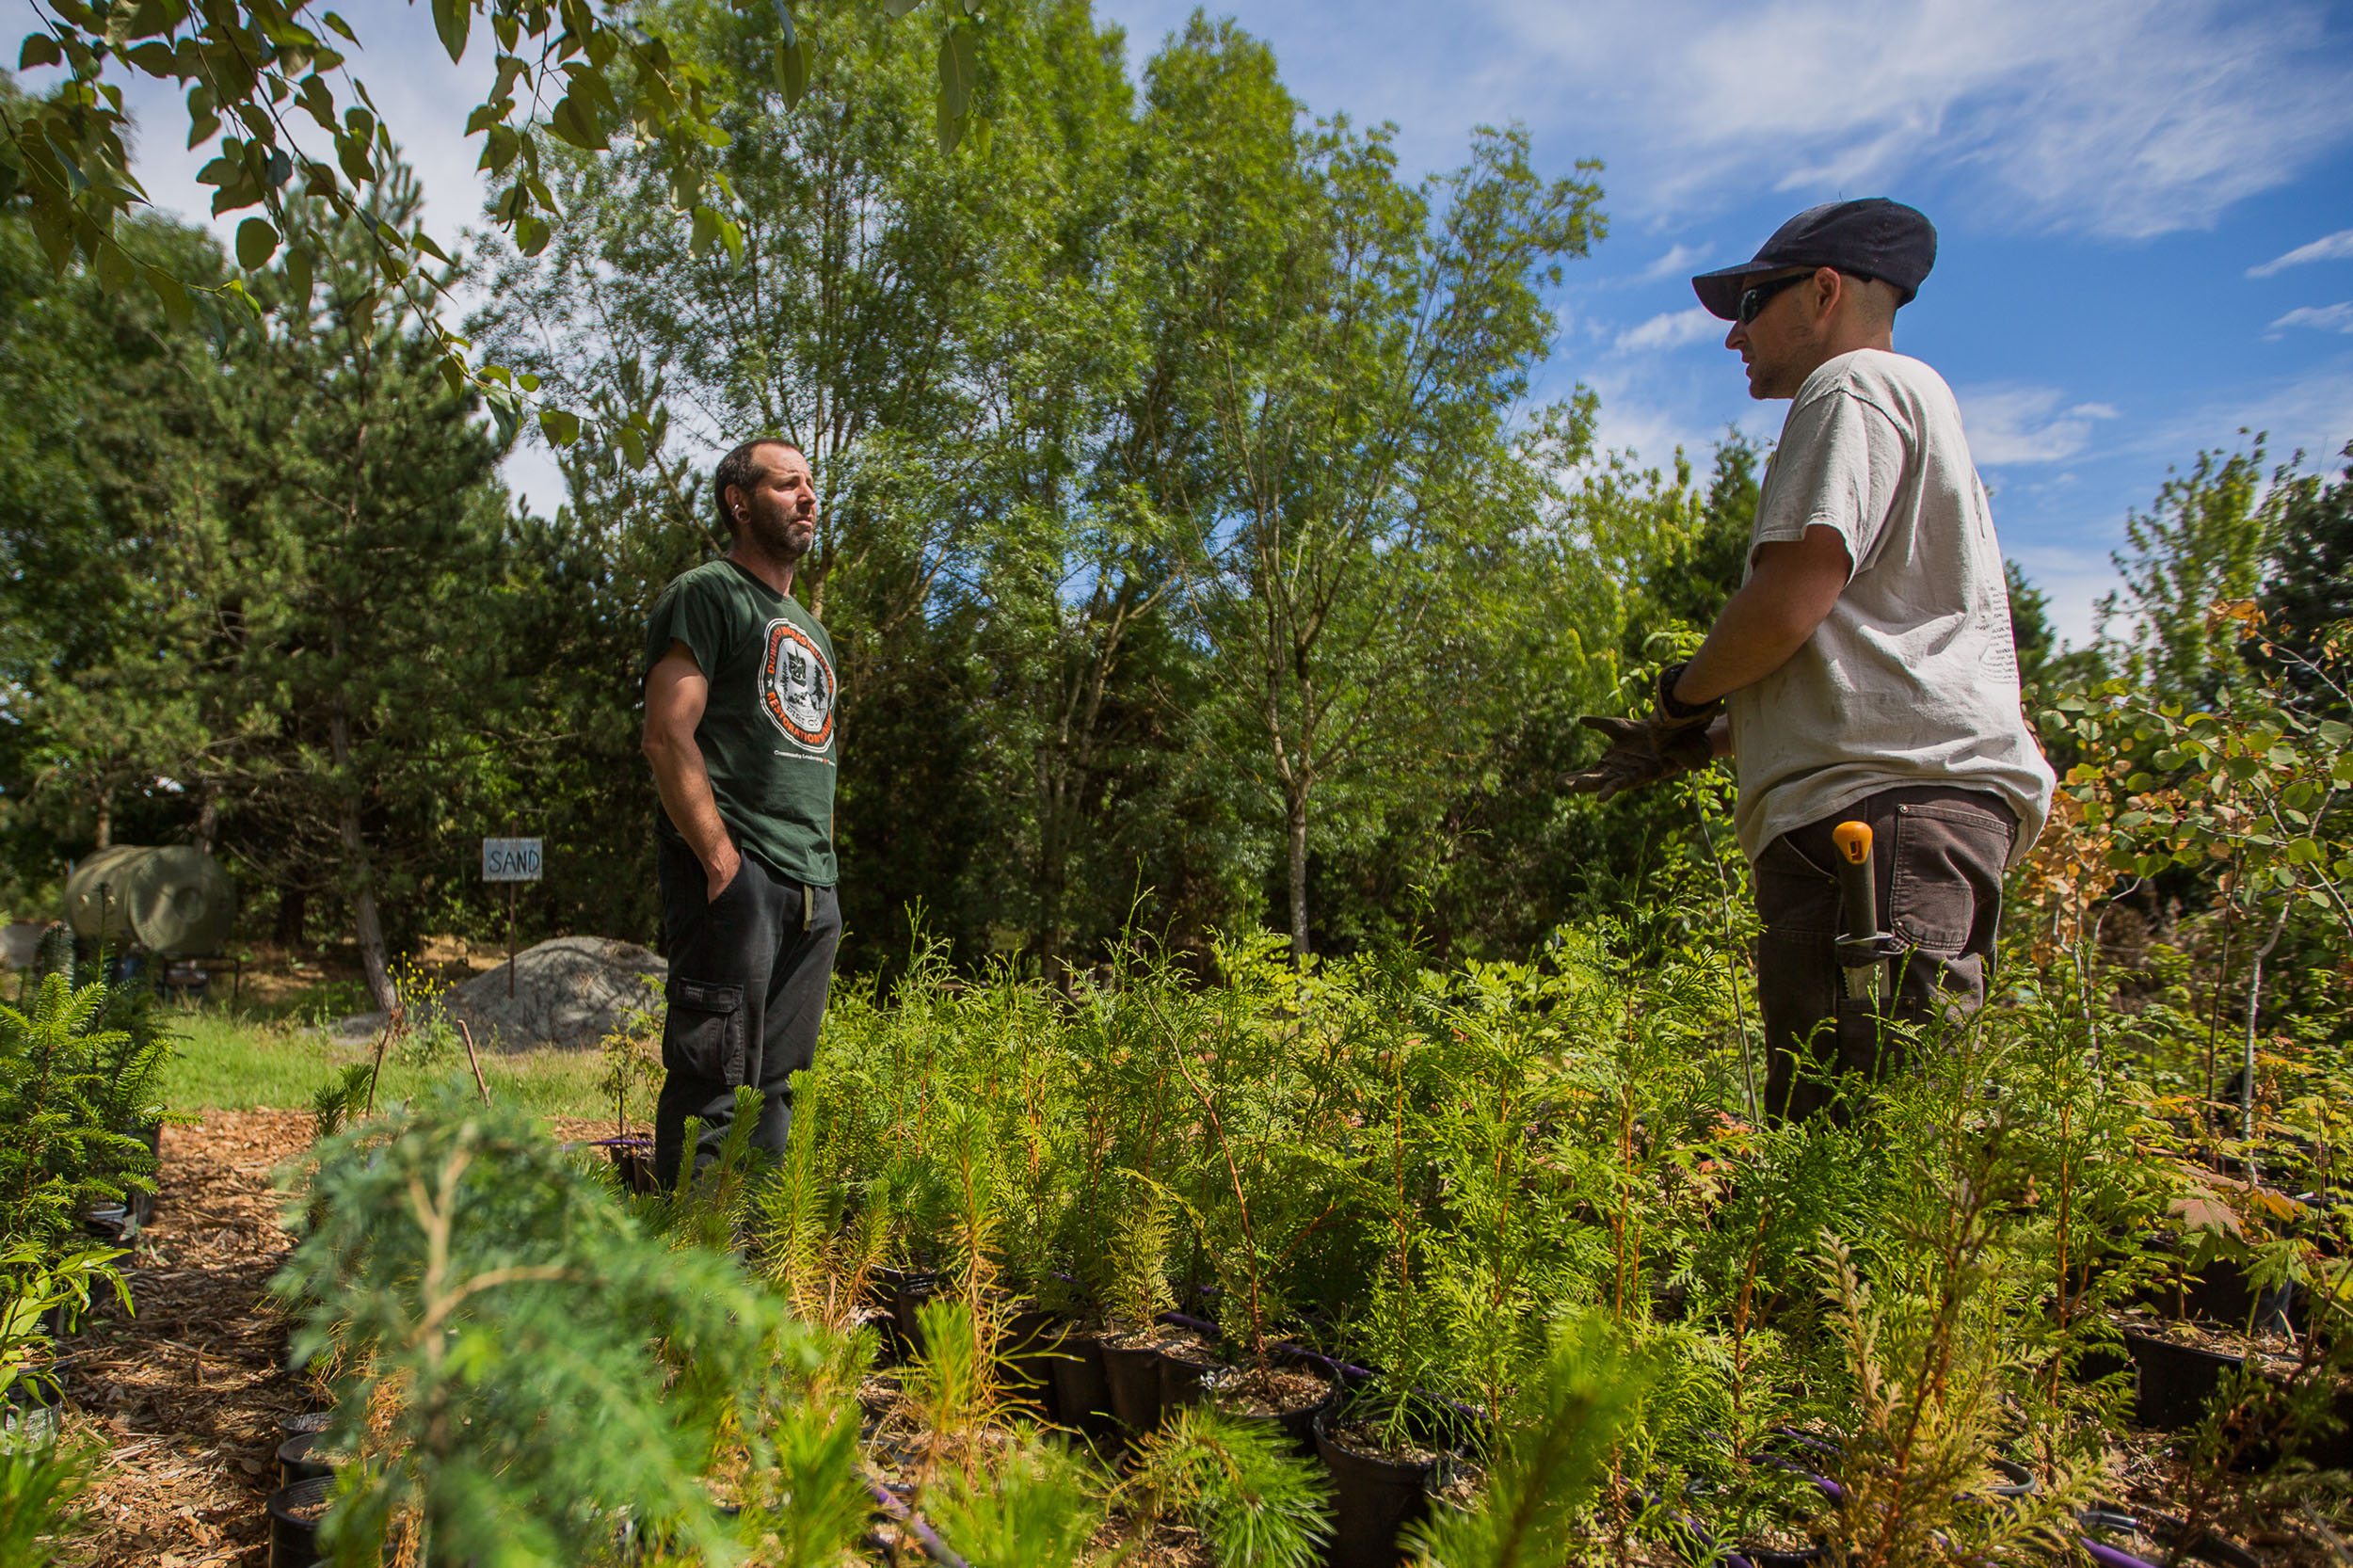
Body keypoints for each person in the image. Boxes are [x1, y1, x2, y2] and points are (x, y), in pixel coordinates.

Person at [1563, 198, 2056, 1122]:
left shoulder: (1852, 387)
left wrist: (1675, 698)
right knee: (1878, 1136)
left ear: (1823, 290)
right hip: (1907, 813)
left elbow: (1791, 600)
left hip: (1872, 824)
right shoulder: (1912, 402)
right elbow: (1859, 660)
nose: (1734, 336)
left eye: (1751, 304)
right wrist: (1703, 739)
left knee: (1844, 1155)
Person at [641, 438, 843, 1185]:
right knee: (713, 1084)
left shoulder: (813, 633)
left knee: (778, 1094)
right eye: (787, 484)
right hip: (739, 879)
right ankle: (692, 1279)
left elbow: (813, 759)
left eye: (811, 485)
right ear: (739, 500)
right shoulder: (707, 595)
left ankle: (753, 1281)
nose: (808, 497)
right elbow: (666, 736)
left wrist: (823, 888)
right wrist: (723, 864)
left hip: (809, 893)